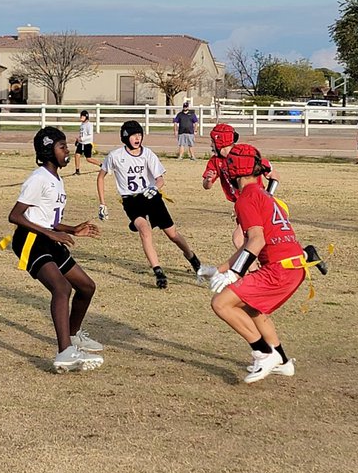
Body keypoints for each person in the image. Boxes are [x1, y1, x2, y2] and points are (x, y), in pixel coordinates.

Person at [207, 144, 310, 383]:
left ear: (235, 170)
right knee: (252, 309)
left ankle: (264, 354)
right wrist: (219, 270)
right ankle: (283, 362)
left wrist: (234, 273)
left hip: (280, 268)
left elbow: (256, 240)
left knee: (221, 304)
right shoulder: (262, 194)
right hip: (292, 266)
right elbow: (249, 245)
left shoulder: (246, 199)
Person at [7, 127, 105, 373]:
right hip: (30, 240)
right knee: (62, 288)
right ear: (48, 151)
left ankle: (73, 337)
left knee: (86, 286)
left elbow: (48, 218)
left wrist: (72, 229)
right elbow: (15, 216)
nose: (67, 151)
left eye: (66, 146)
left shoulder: (56, 179)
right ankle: (64, 352)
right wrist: (52, 234)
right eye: (62, 147)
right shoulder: (39, 178)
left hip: (48, 238)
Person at [97, 119, 206, 288]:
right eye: (133, 135)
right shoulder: (115, 156)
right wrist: (102, 203)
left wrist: (155, 188)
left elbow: (160, 179)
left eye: (139, 134)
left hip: (151, 198)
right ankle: (158, 271)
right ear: (125, 137)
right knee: (144, 230)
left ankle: (192, 257)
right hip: (131, 201)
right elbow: (101, 177)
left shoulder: (147, 154)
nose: (137, 138)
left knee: (172, 234)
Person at [202, 122, 280, 254]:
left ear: (220, 141)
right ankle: (306, 254)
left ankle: (254, 272)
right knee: (259, 241)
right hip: (242, 205)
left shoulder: (243, 154)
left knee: (240, 240)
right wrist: (208, 180)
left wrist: (267, 198)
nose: (210, 145)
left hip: (255, 202)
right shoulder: (215, 161)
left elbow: (275, 176)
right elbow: (206, 186)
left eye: (212, 141)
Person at [72, 110, 99, 175]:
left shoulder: (89, 125)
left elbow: (90, 136)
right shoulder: (82, 125)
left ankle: (102, 165)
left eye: (82, 116)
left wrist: (82, 139)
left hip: (87, 144)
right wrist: (78, 140)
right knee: (77, 155)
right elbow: (81, 134)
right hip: (81, 143)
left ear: (86, 117)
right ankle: (77, 170)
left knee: (88, 159)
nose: (81, 117)